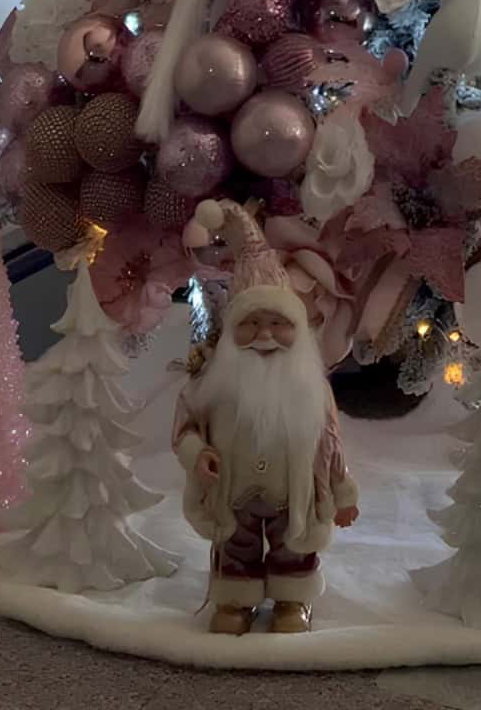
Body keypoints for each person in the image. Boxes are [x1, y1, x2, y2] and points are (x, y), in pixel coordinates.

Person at [173, 197, 359, 634]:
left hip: (293, 490)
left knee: (293, 543)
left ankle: (293, 599)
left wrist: (344, 493)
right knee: (234, 545)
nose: (265, 336)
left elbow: (330, 441)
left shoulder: (311, 389)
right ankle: (236, 600)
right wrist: (197, 453)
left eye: (277, 324)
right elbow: (185, 425)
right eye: (251, 325)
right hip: (233, 488)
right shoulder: (213, 386)